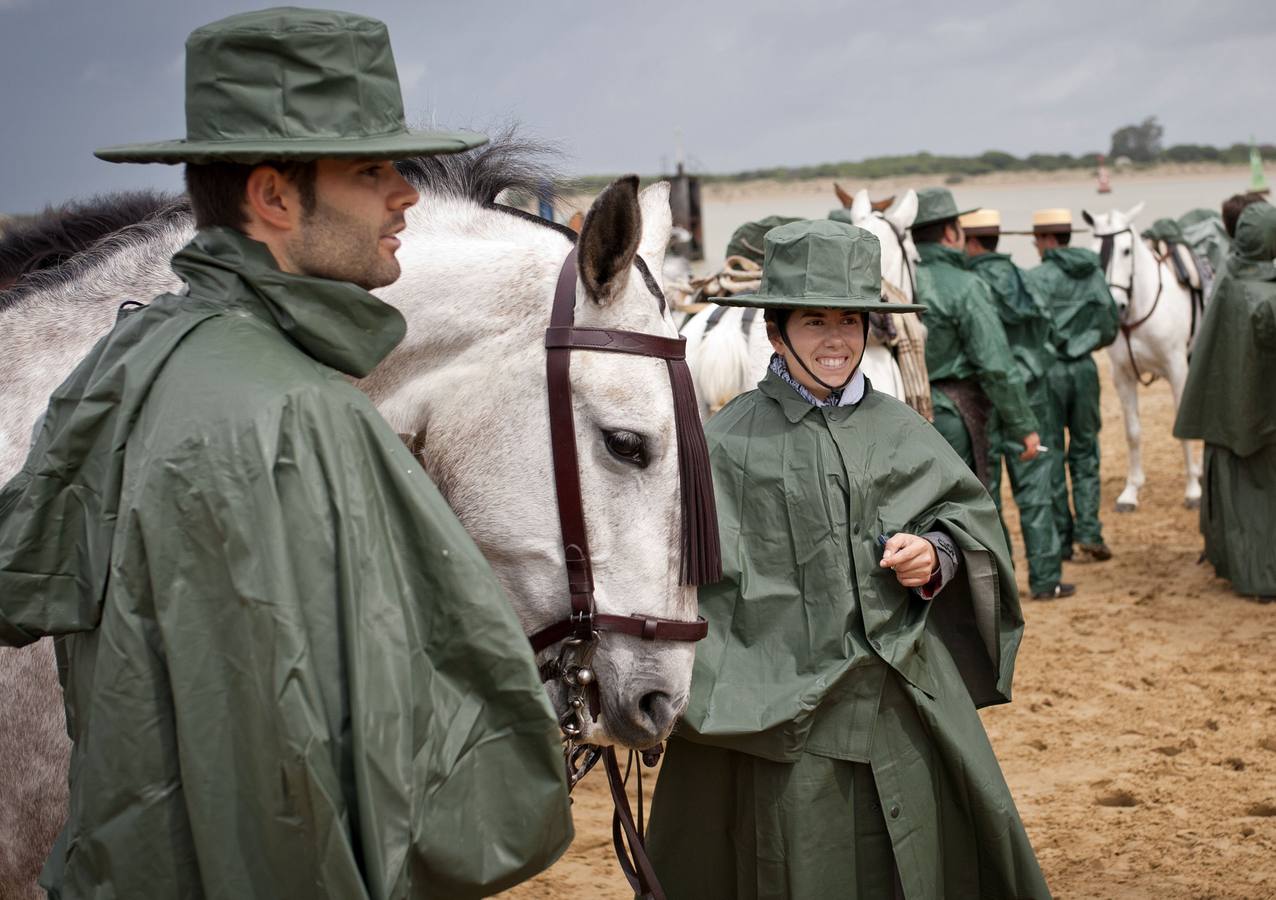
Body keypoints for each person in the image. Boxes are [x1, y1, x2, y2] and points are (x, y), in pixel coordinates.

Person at [0, 9, 572, 898]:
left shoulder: (128, 357)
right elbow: (323, 772)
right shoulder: (303, 417)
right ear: (272, 197)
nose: (406, 194)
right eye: (373, 168)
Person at [645, 219, 1051, 899]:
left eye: (850, 320)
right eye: (813, 321)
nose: (836, 339)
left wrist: (937, 554)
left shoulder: (900, 428)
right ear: (775, 332)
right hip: (776, 717)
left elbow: (967, 522)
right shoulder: (722, 442)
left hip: (902, 704)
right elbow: (680, 583)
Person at [962, 209, 1072, 600]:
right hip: (1033, 395)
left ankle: (1002, 588)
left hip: (985, 399)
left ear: (972, 241)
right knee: (1036, 490)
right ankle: (1047, 580)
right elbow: (1049, 331)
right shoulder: (1024, 278)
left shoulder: (969, 282)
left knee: (988, 497)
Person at [1173, 200, 1276, 603]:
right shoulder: (1263, 296)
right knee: (1259, 504)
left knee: (1235, 502)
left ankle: (1230, 564)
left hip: (1225, 412)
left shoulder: (1229, 278)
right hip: (1262, 420)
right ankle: (1262, 578)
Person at [912, 188, 1040, 485]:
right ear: (950, 231)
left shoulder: (898, 281)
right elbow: (995, 365)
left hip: (905, 411)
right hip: (957, 415)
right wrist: (1023, 425)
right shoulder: (966, 286)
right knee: (971, 509)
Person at [1024, 209, 1120, 563]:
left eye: (1037, 239)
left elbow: (1028, 329)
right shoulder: (1094, 274)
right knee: (1085, 450)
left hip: (1048, 373)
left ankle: (1062, 540)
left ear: (1049, 240)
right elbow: (1110, 324)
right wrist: (1084, 345)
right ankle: (1090, 530)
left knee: (1050, 454)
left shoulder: (1036, 277)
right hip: (1084, 370)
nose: (1035, 246)